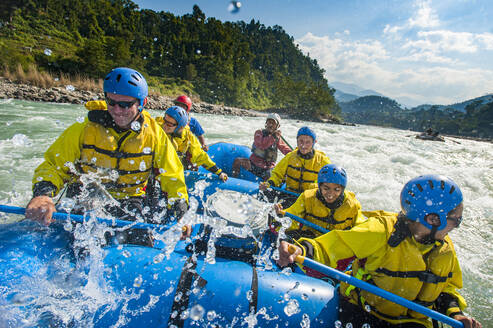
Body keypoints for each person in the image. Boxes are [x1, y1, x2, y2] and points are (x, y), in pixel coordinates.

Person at [277, 174, 482, 328]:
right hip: (363, 310)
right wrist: (300, 249)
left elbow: (445, 289)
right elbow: (334, 244)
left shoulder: (444, 249)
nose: (457, 226)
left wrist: (455, 313)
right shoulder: (381, 230)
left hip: (412, 322)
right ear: (433, 219)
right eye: (456, 220)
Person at [25, 67, 190, 244]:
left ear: (142, 102)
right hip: (85, 195)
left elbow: (172, 175)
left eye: (126, 104)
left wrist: (181, 212)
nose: (117, 110)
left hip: (129, 199)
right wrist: (43, 194)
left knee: (141, 239)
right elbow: (54, 165)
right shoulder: (85, 128)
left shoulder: (154, 135)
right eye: (112, 102)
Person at [274, 164, 365, 241]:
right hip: (311, 240)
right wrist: (280, 217)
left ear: (342, 189)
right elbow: (292, 217)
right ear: (319, 186)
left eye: (336, 189)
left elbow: (361, 227)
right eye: (326, 188)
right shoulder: (307, 197)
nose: (330, 194)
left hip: (337, 244)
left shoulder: (352, 205)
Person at [259, 126, 331, 207]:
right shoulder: (290, 156)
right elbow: (277, 174)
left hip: (309, 198)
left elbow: (329, 183)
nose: (303, 145)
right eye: (301, 141)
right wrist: (269, 183)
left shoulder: (322, 160)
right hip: (289, 195)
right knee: (265, 193)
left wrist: (315, 188)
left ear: (314, 143)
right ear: (297, 141)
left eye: (308, 142)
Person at [156, 106, 228, 182]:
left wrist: (219, 172)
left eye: (169, 124)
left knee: (190, 161)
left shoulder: (188, 138)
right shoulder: (156, 127)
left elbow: (200, 156)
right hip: (157, 165)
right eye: (165, 121)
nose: (165, 126)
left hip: (174, 167)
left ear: (180, 127)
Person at [232, 113, 291, 181]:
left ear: (277, 126)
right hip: (253, 164)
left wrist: (295, 153)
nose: (270, 125)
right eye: (269, 122)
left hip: (267, 168)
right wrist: (273, 137)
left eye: (273, 123)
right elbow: (261, 145)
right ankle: (234, 179)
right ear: (266, 123)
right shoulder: (259, 133)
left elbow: (285, 150)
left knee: (270, 176)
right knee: (237, 161)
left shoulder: (277, 138)